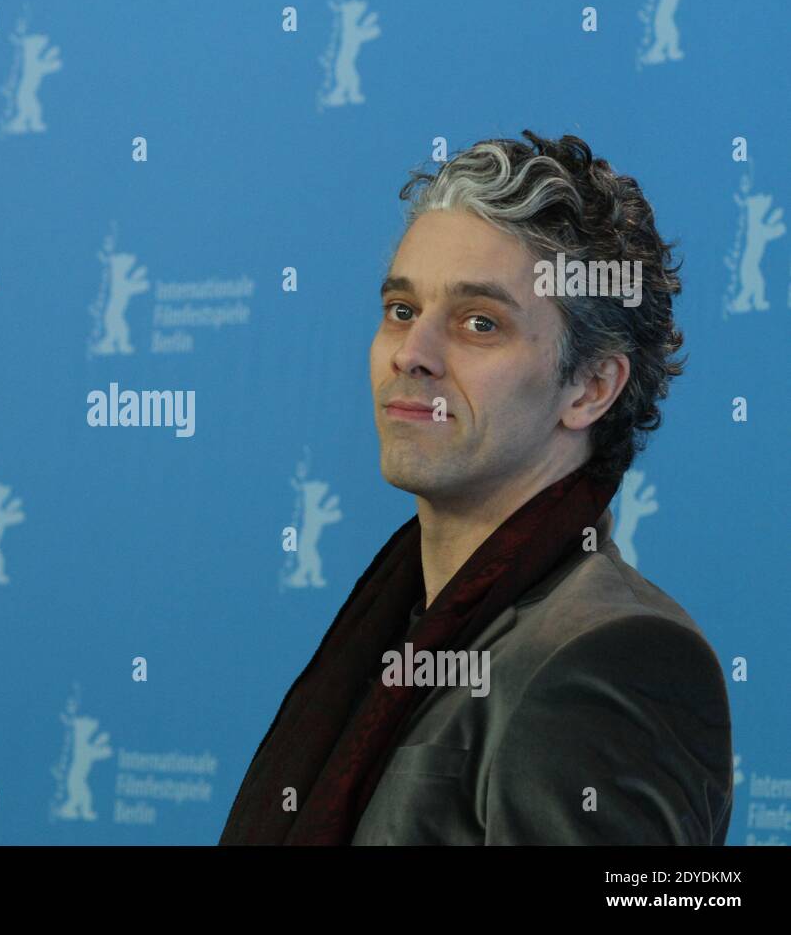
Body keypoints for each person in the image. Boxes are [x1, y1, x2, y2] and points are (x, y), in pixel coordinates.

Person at [220, 130, 733, 845]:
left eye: (479, 323)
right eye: (401, 309)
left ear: (589, 388)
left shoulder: (614, 657)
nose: (412, 353)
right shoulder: (397, 621)